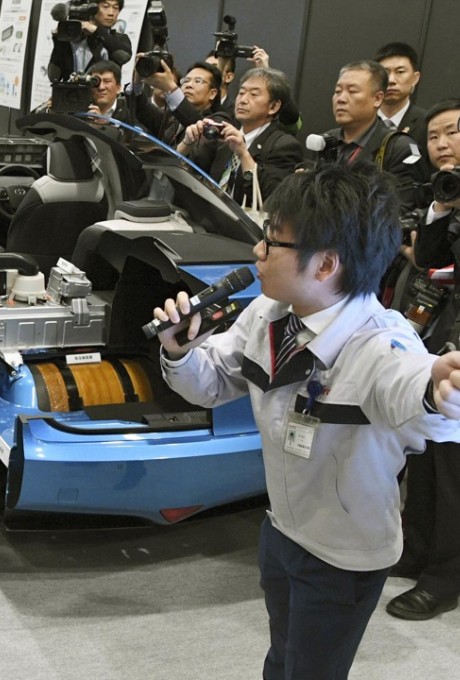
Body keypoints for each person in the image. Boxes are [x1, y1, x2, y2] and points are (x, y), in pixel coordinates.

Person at [152, 162, 460, 679]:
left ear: (325, 265)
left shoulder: (382, 341)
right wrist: (179, 353)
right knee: (282, 658)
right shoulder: (268, 315)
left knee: (313, 671)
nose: (258, 252)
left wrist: (440, 386)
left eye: (271, 242)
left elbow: (410, 384)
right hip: (282, 528)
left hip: (343, 555)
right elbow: (210, 385)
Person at [390, 98, 460, 621]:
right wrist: (442, 206)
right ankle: (415, 550)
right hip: (435, 336)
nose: (442, 144)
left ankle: (446, 575)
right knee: (425, 453)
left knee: (454, 465)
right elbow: (432, 260)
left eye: (454, 132)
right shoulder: (444, 194)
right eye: (435, 135)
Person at [179, 67, 302, 206]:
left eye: (254, 95)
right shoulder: (224, 137)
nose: (243, 100)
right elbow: (188, 176)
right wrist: (186, 144)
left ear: (273, 106)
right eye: (241, 92)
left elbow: (268, 197)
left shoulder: (283, 145)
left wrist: (244, 155)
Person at [320, 60, 425, 210]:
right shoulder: (326, 140)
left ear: (377, 99)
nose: (341, 99)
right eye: (337, 91)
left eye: (352, 91)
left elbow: (402, 210)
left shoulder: (400, 147)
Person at [133, 60, 231, 147]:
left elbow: (198, 124)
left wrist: (170, 88)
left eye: (198, 81)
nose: (189, 85)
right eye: (186, 81)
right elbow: (142, 110)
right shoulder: (172, 118)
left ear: (212, 93)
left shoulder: (219, 119)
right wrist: (137, 82)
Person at [47, 0, 131, 83]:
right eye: (105, 7)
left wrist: (96, 31)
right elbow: (54, 77)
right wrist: (59, 41)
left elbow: (123, 56)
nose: (111, 13)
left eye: (116, 8)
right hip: (71, 94)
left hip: (102, 94)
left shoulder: (119, 39)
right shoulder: (72, 39)